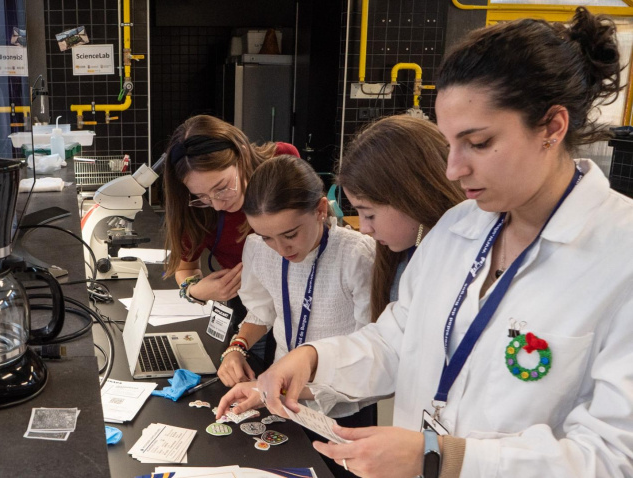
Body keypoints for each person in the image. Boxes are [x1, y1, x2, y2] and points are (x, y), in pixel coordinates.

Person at [218, 8, 633, 477]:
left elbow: (616, 456)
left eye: (477, 143)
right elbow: (397, 341)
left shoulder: (620, 256)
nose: (454, 169)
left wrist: (445, 457)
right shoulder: (459, 229)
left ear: (552, 127)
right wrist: (314, 361)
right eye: (450, 143)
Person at [217, 155, 376, 478]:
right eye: (267, 237)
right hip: (283, 400)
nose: (280, 248)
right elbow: (262, 310)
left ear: (319, 210)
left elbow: (373, 353)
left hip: (343, 407)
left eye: (290, 234)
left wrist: (273, 389)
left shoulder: (357, 254)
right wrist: (237, 347)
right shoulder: (258, 249)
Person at [163, 115, 299, 362]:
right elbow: (186, 268)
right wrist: (195, 290)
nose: (215, 204)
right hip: (249, 313)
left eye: (222, 187)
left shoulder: (281, 163)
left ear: (243, 155)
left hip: (300, 302)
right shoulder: (198, 212)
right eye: (201, 195)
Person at [338, 115, 464, 320]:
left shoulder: (462, 262)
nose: (364, 228)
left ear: (413, 197)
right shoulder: (402, 251)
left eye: (369, 214)